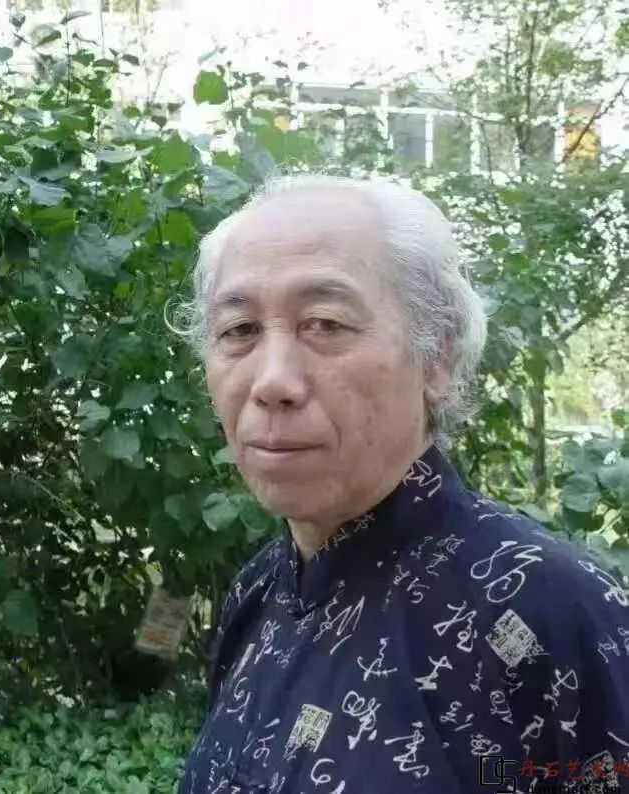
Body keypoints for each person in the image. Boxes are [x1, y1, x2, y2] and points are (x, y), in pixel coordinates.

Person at [178, 175, 629, 794]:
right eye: (239, 331)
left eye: (325, 323)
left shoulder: (553, 614)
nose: (272, 381)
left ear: (435, 355)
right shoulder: (257, 594)